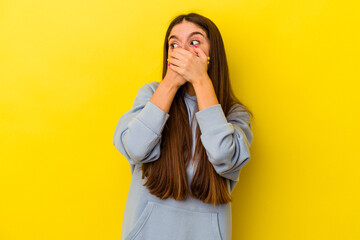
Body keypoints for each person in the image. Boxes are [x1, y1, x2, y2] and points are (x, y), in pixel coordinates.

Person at [113, 12, 254, 240]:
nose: (183, 51)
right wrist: (170, 83)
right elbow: (136, 148)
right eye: (174, 44)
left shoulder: (234, 115)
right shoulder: (150, 95)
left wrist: (200, 81)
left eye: (195, 42)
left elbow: (223, 154)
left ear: (212, 55)